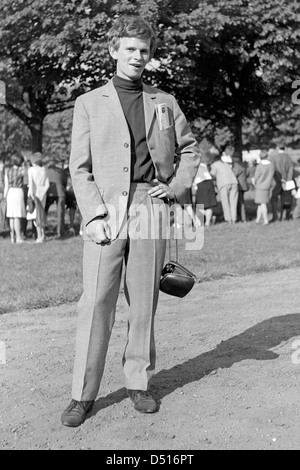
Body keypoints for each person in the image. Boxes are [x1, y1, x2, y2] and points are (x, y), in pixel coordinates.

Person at [61, 15, 200, 428]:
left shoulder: (165, 101)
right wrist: (95, 215)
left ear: (149, 55)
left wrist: (174, 187)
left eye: (144, 50)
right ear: (114, 51)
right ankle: (82, 395)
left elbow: (189, 150)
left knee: (143, 302)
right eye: (130, 49)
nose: (138, 56)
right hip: (105, 211)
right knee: (96, 301)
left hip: (149, 206)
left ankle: (139, 383)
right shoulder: (88, 103)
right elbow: (79, 168)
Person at [3, 153, 26, 243]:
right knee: (17, 216)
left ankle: (13, 237)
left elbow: (6, 185)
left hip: (10, 192)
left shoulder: (7, 171)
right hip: (18, 191)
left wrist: (5, 196)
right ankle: (19, 237)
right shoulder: (21, 171)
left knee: (11, 216)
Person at [210, 153, 239, 224]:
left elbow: (212, 175)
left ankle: (228, 219)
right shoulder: (226, 164)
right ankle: (234, 218)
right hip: (234, 182)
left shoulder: (215, 165)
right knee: (233, 202)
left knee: (225, 202)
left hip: (224, 183)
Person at [27, 152, 50, 243]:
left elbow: (31, 183)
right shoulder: (44, 169)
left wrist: (32, 195)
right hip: (42, 194)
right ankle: (43, 235)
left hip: (34, 193)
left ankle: (39, 236)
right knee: (41, 214)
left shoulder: (31, 170)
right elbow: (47, 184)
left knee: (36, 216)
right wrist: (42, 193)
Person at [268, 143, 294, 222]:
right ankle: (284, 216)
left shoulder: (274, 158)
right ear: (285, 148)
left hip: (277, 181)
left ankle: (275, 217)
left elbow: (273, 170)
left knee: (274, 199)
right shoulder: (288, 158)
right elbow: (291, 170)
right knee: (285, 199)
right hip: (286, 181)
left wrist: (279, 180)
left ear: (277, 148)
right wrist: (288, 180)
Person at [45, 158, 67, 238]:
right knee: (60, 212)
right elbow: (64, 182)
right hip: (60, 191)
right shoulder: (60, 171)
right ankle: (60, 231)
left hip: (48, 192)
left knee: (44, 211)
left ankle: (42, 229)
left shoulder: (45, 170)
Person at [253, 149, 275, 225]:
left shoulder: (260, 166)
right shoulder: (271, 165)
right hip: (268, 185)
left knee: (262, 204)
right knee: (260, 203)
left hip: (260, 186)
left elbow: (256, 177)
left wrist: (254, 182)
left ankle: (265, 220)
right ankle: (257, 219)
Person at [193, 161, 217, 226]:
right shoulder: (202, 164)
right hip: (209, 182)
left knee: (199, 205)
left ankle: (207, 218)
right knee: (209, 204)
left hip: (200, 183)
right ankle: (208, 222)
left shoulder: (191, 165)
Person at [231, 152, 249, 222]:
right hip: (243, 184)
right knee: (241, 201)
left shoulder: (236, 165)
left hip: (238, 185)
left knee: (239, 202)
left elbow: (234, 174)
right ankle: (241, 216)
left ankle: (242, 217)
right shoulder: (243, 165)